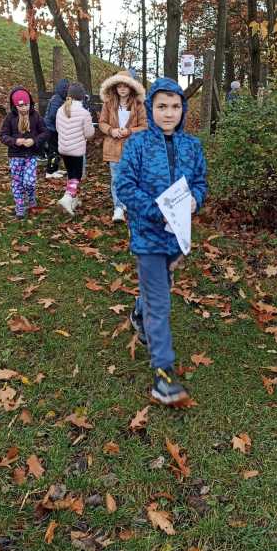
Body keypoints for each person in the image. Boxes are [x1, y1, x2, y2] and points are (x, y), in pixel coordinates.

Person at [116, 78, 207, 406]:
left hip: (177, 237)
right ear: (150, 108)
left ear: (183, 109)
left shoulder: (192, 146)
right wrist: (157, 211)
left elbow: (200, 182)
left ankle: (139, 314)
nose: (169, 113)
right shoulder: (138, 145)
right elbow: (124, 187)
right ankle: (163, 375)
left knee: (160, 284)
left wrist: (196, 199)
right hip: (148, 235)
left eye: (175, 106)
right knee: (160, 302)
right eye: (162, 106)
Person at [98, 70, 147, 222]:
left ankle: (130, 203)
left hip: (132, 148)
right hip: (113, 147)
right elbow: (102, 123)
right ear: (115, 88)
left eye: (125, 86)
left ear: (131, 87)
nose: (122, 89)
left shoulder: (138, 105)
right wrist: (111, 131)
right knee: (116, 179)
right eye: (119, 86)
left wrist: (130, 131)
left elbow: (144, 126)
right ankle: (118, 208)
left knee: (133, 178)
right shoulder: (108, 104)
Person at [0, 87, 48, 219]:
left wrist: (34, 141)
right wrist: (15, 141)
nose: (24, 108)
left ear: (30, 103)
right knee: (17, 182)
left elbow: (45, 132)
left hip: (31, 155)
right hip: (15, 156)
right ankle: (20, 208)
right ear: (15, 105)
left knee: (29, 182)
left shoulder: (35, 116)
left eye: (26, 105)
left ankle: (31, 198)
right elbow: (3, 135)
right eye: (20, 106)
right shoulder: (10, 118)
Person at [55, 83, 95, 215]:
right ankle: (67, 198)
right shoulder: (84, 113)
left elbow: (58, 128)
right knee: (76, 176)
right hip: (77, 151)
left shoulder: (60, 110)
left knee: (71, 175)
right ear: (82, 97)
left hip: (64, 149)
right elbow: (89, 134)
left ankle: (73, 199)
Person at [44, 79, 69, 179]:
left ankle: (55, 168)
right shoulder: (56, 100)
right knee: (53, 151)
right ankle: (50, 171)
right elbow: (52, 115)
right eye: (66, 90)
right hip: (51, 129)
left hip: (55, 129)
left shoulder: (60, 99)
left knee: (57, 150)